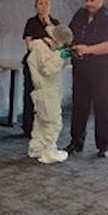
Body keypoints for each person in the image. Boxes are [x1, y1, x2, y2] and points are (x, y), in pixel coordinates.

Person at [65, 0, 108, 158]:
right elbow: (70, 35)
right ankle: (76, 142)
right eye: (87, 0)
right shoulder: (80, 15)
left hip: (103, 71)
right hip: (81, 68)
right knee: (79, 106)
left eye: (93, 0)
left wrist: (88, 49)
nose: (89, 4)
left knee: (104, 107)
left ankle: (104, 145)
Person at [27, 24, 73, 164]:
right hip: (46, 91)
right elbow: (46, 69)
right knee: (53, 122)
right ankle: (49, 152)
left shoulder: (46, 48)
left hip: (47, 90)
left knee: (41, 122)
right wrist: (59, 56)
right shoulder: (41, 48)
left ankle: (36, 149)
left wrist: (59, 55)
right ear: (56, 39)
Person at [22, 0, 60, 138]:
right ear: (36, 6)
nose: (44, 6)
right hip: (33, 64)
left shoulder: (55, 23)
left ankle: (44, 125)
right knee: (30, 94)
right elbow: (29, 44)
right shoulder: (31, 22)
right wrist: (44, 43)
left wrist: (48, 23)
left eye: (46, 3)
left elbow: (58, 43)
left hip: (49, 65)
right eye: (41, 3)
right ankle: (27, 126)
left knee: (46, 96)